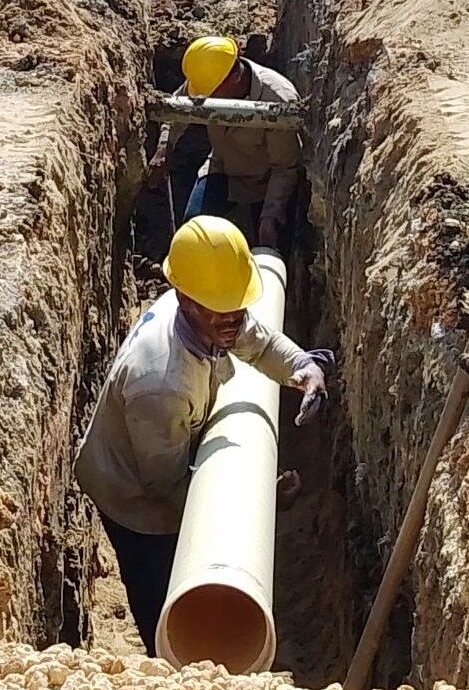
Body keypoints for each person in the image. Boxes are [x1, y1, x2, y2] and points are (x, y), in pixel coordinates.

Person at [73, 216, 329, 655]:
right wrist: (255, 500)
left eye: (238, 307)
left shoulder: (210, 311)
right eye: (223, 310)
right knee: (161, 589)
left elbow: (257, 340)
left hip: (165, 445)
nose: (234, 320)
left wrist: (303, 367)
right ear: (186, 299)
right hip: (134, 498)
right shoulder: (161, 383)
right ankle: (167, 663)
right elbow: (165, 488)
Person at [146, 36, 302, 250]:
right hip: (221, 167)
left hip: (266, 181)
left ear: (235, 77)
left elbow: (285, 168)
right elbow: (177, 109)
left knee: (269, 248)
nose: (205, 97)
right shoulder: (208, 78)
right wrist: (165, 147)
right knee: (195, 231)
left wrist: (270, 217)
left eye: (211, 94)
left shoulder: (277, 100)